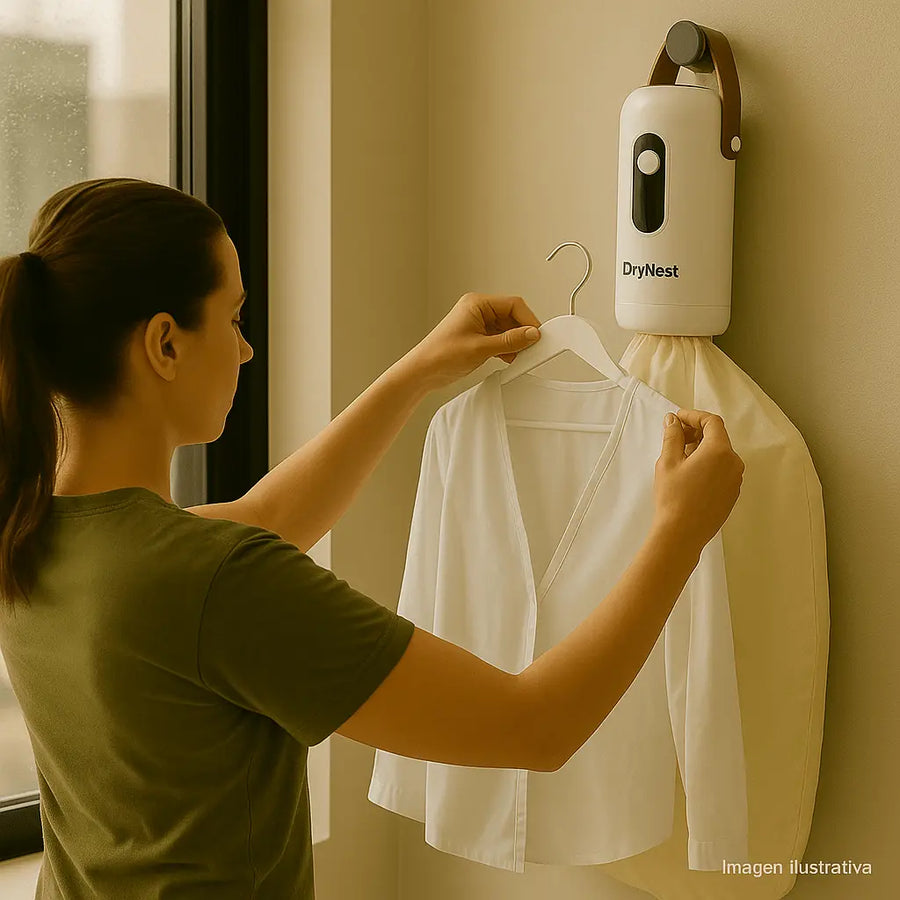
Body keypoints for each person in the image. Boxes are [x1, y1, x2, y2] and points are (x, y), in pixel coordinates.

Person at [0, 177, 744, 898]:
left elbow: (268, 516)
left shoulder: (36, 536)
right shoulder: (214, 578)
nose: (246, 350)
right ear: (164, 345)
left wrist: (417, 373)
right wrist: (679, 529)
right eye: (232, 320)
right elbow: (535, 729)